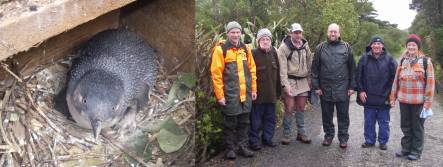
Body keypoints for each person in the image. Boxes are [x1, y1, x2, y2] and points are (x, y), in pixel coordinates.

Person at [210, 21, 257, 159]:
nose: (236, 35)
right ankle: (229, 149)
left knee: (244, 122)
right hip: (230, 94)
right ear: (227, 33)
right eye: (233, 32)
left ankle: (242, 146)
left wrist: (253, 90)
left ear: (240, 33)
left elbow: (252, 70)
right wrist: (220, 96)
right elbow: (216, 74)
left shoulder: (245, 49)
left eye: (238, 32)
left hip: (246, 94)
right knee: (229, 123)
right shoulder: (221, 50)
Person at [390, 34, 435, 161]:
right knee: (405, 126)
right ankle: (406, 149)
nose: (411, 47)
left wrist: (427, 103)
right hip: (404, 100)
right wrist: (393, 97)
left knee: (417, 127)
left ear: (418, 47)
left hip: (418, 102)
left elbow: (430, 84)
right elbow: (396, 81)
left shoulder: (426, 62)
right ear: (406, 46)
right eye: (409, 45)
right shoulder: (403, 61)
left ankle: (416, 151)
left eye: (413, 45)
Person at [311, 23, 356, 148]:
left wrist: (352, 87)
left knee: (343, 116)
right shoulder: (320, 48)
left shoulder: (347, 47)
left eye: (335, 32)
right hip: (325, 88)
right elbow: (314, 69)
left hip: (343, 88)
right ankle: (328, 136)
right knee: (326, 115)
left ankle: (343, 138)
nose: (333, 34)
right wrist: (316, 87)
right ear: (327, 33)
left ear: (339, 33)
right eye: (331, 31)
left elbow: (353, 68)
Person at [355, 36, 397, 150]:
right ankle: (369, 140)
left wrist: (391, 94)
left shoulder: (390, 59)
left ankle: (383, 142)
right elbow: (358, 76)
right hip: (368, 96)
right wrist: (361, 91)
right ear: (371, 46)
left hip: (384, 96)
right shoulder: (364, 58)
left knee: (384, 122)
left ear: (382, 46)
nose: (376, 46)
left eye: (379, 44)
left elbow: (394, 78)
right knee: (369, 121)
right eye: (374, 44)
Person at [277, 23, 313, 145]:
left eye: (299, 32)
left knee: (301, 108)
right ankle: (286, 134)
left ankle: (301, 133)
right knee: (289, 107)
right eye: (295, 32)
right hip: (290, 80)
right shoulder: (283, 48)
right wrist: (285, 85)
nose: (298, 35)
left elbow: (309, 62)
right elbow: (282, 69)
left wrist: (309, 78)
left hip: (303, 80)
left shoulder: (305, 45)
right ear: (290, 33)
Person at [248, 28, 280, 150]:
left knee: (270, 119)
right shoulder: (253, 53)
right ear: (258, 41)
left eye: (267, 39)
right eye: (263, 39)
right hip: (258, 95)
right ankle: (254, 142)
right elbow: (248, 74)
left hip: (271, 94)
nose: (265, 41)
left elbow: (278, 73)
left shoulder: (274, 53)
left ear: (270, 41)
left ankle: (267, 139)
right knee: (255, 121)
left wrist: (278, 92)